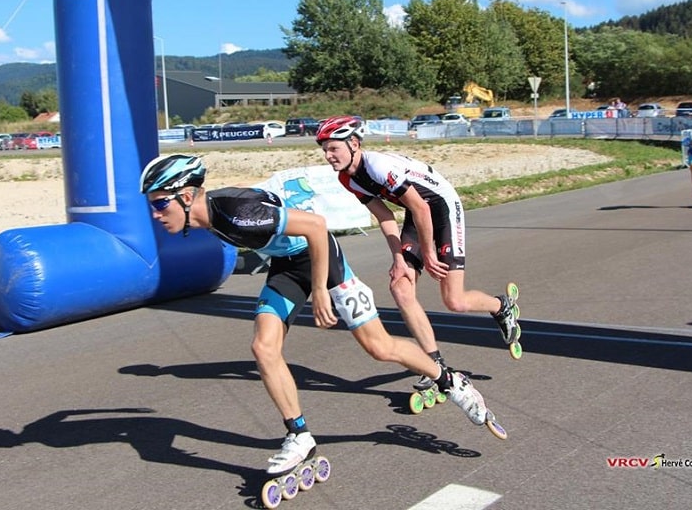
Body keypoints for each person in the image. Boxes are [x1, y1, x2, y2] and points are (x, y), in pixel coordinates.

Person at [139, 155, 503, 475]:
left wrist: (319, 290)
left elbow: (316, 227)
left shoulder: (236, 213)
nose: (156, 214)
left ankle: (450, 380)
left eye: (160, 204)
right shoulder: (210, 215)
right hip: (287, 265)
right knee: (264, 348)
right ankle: (299, 436)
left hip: (323, 262)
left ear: (186, 197)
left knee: (379, 347)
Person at [315, 115, 520, 390]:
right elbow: (385, 216)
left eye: (333, 148)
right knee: (400, 288)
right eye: (324, 150)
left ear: (353, 143)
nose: (328, 156)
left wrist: (429, 254)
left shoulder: (377, 166)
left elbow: (423, 208)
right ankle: (434, 364)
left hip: (441, 208)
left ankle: (500, 307)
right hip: (416, 213)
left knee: (454, 301)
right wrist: (398, 258)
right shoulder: (347, 178)